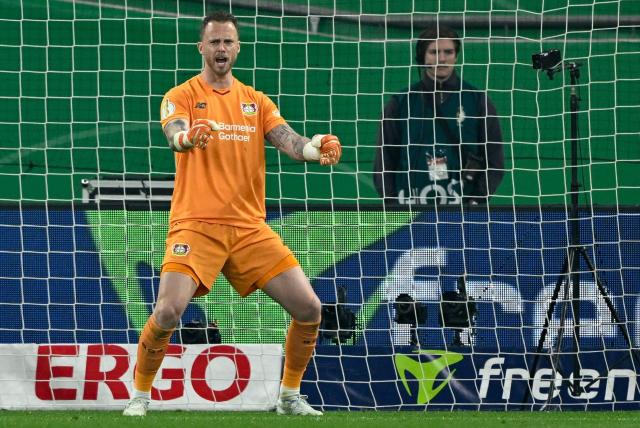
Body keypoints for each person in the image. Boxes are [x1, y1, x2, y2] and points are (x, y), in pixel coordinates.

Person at [122, 11, 341, 417]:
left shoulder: (255, 102)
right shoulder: (180, 94)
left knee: (310, 309)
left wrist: (314, 148)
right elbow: (175, 133)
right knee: (168, 311)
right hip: (196, 224)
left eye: (228, 42)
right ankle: (140, 394)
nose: (221, 49)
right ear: (201, 48)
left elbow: (288, 140)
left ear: (237, 48)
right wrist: (187, 138)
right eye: (215, 42)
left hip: (248, 229)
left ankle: (289, 396)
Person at [373, 25, 504, 206]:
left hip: (463, 211)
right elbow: (384, 160)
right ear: (422, 57)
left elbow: (495, 161)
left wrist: (476, 201)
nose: (442, 59)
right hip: (408, 209)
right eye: (434, 52)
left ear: (456, 56)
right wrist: (392, 204)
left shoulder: (477, 101)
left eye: (448, 52)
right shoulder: (400, 103)